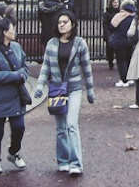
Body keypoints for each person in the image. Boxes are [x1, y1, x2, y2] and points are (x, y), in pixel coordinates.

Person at [34, 11, 95, 175]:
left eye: (65, 22)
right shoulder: (52, 43)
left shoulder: (80, 43)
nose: (61, 24)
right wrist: (40, 86)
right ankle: (63, 160)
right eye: (59, 22)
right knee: (61, 128)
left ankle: (76, 163)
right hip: (56, 89)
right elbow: (45, 66)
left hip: (74, 89)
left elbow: (86, 68)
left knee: (71, 124)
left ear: (73, 24)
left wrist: (90, 90)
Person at [0, 18, 29, 174]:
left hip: (15, 96)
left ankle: (13, 152)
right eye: (12, 29)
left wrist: (22, 74)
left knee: (19, 127)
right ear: (4, 32)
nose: (14, 31)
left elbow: (24, 65)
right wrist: (15, 76)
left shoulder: (16, 47)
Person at [109, 0, 137, 87]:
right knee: (128, 59)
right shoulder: (134, 16)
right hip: (130, 41)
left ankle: (124, 79)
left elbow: (112, 26)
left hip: (119, 41)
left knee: (121, 61)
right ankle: (130, 78)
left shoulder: (120, 15)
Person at [102, 0, 121, 70]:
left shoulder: (121, 12)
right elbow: (105, 24)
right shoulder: (107, 13)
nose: (116, 4)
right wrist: (108, 33)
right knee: (110, 50)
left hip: (118, 33)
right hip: (110, 33)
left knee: (119, 49)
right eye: (114, 2)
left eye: (117, 2)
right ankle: (110, 62)